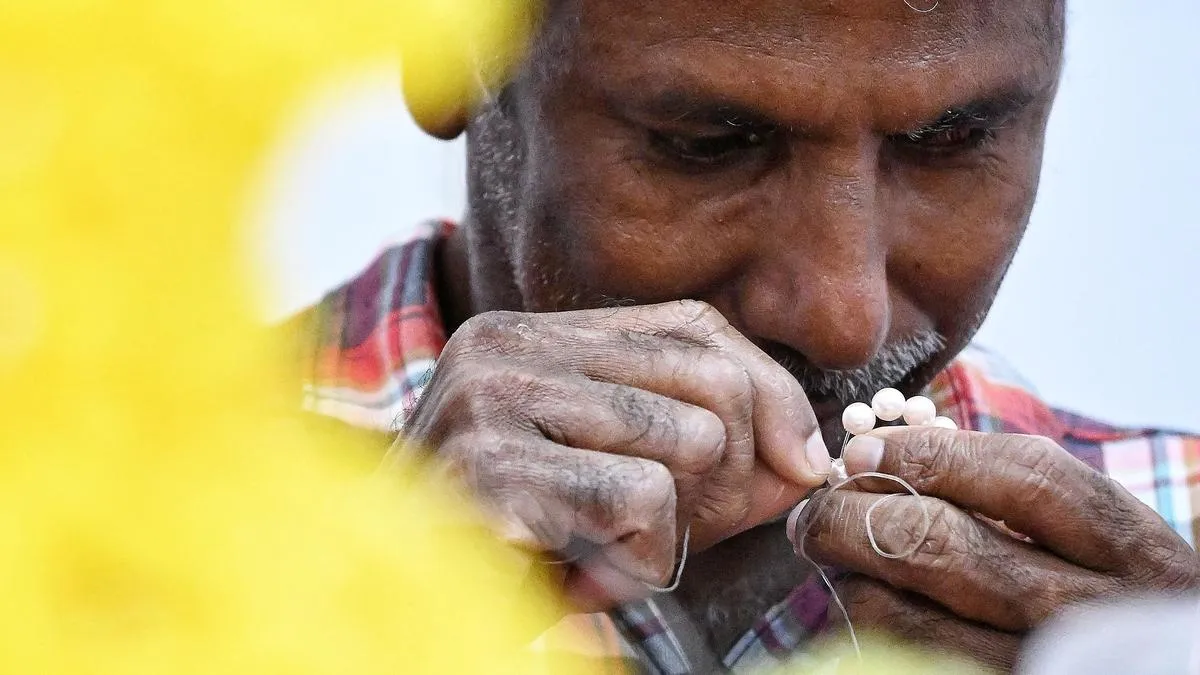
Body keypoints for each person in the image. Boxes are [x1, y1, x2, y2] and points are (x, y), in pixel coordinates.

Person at [288, 0, 1200, 671]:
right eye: (706, 145)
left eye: (953, 139)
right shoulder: (199, 516)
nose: (846, 320)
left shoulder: (1174, 578)